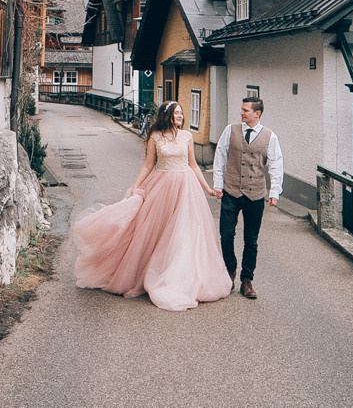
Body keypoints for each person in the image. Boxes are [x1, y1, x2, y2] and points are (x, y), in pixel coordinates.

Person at [74, 101, 232, 311]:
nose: (180, 116)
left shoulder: (187, 136)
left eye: (181, 113)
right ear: (167, 115)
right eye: (177, 113)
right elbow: (149, 164)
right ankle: (157, 271)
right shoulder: (155, 137)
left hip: (186, 187)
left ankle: (183, 277)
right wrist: (136, 187)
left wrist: (208, 189)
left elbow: (193, 165)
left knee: (185, 232)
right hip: (163, 187)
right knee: (159, 232)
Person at [212, 97, 283, 300]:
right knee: (226, 235)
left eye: (245, 110)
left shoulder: (270, 136)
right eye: (242, 109)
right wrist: (218, 184)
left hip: (255, 194)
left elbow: (276, 164)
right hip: (231, 191)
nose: (241, 113)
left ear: (257, 114)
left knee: (251, 240)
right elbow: (220, 157)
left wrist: (274, 192)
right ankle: (229, 271)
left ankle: (247, 280)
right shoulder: (230, 130)